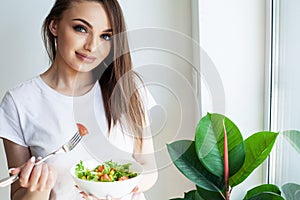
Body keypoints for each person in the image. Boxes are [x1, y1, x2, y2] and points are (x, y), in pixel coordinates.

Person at [0, 0, 158, 199]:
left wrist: (115, 187)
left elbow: (149, 167)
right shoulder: (19, 102)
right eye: (81, 29)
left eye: (105, 36)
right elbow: (18, 196)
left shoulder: (128, 88)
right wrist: (39, 187)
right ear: (54, 25)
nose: (92, 46)